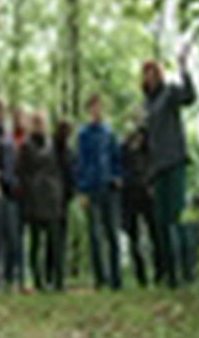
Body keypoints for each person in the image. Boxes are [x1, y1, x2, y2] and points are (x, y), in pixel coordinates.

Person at [142, 51, 196, 288]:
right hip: (157, 170)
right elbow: (148, 143)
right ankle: (170, 275)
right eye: (145, 74)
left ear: (159, 75)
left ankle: (188, 272)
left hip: (174, 162)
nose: (149, 77)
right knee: (161, 221)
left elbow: (190, 97)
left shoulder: (170, 93)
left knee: (178, 217)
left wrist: (183, 69)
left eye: (152, 72)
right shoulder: (146, 104)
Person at [77, 94, 123, 290]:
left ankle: (116, 278)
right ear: (89, 110)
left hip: (109, 187)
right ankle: (100, 278)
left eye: (99, 107)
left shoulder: (109, 132)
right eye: (93, 107)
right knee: (95, 234)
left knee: (112, 233)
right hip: (92, 188)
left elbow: (116, 157)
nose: (96, 110)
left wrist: (117, 176)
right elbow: (81, 162)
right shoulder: (83, 134)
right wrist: (82, 190)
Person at [17, 112, 65, 292]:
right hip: (34, 199)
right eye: (36, 122)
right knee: (35, 241)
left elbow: (61, 165)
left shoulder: (53, 144)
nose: (39, 125)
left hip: (52, 197)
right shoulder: (26, 146)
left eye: (42, 122)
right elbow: (21, 172)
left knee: (55, 242)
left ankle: (57, 280)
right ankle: (38, 280)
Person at [121, 124, 163, 287]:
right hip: (130, 197)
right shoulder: (125, 151)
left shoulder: (150, 152)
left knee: (154, 234)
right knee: (134, 237)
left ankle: (160, 272)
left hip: (146, 196)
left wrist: (150, 184)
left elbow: (153, 169)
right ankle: (140, 276)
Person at [0, 98, 23, 290]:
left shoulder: (15, 140)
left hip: (17, 193)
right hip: (3, 190)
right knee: (3, 236)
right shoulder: (3, 139)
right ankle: (4, 275)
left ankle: (16, 276)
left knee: (15, 236)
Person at [47, 120, 76, 290]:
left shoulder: (64, 152)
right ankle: (55, 277)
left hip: (61, 199)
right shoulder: (54, 152)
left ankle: (56, 277)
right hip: (55, 199)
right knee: (56, 239)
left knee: (57, 240)